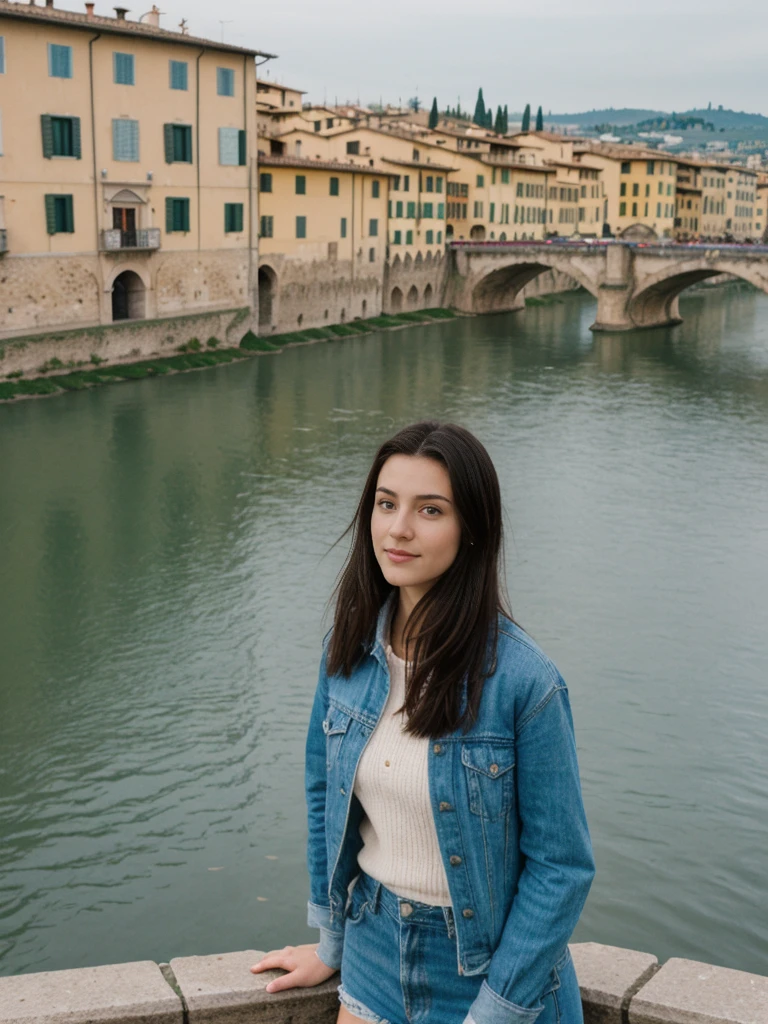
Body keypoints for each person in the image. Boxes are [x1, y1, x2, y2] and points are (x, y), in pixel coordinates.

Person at [251, 421, 595, 1024]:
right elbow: (323, 799)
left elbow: (561, 867)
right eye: (386, 504)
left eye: (429, 510)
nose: (398, 528)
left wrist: (499, 1009)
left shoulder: (523, 682)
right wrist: (331, 940)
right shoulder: (348, 654)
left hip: (491, 975)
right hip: (374, 952)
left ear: (471, 530)